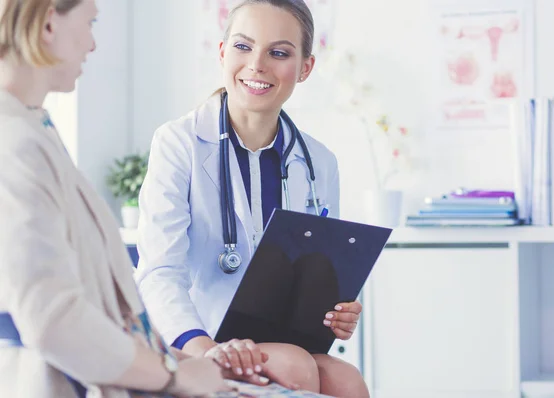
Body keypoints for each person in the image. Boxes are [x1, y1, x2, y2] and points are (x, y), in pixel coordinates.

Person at [135, 0, 369, 396]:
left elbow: (321, 269)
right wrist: (204, 347)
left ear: (305, 68)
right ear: (223, 53)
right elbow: (159, 273)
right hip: (196, 338)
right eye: (243, 47)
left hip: (278, 337)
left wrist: (337, 311)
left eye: (278, 52)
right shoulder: (179, 143)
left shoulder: (319, 163)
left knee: (347, 380)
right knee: (294, 367)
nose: (257, 64)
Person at [0, 0, 229, 396]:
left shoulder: (34, 129)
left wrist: (174, 360)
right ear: (49, 23)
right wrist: (172, 375)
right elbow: (52, 319)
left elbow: (101, 300)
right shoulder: (14, 143)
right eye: (90, 23)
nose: (92, 44)